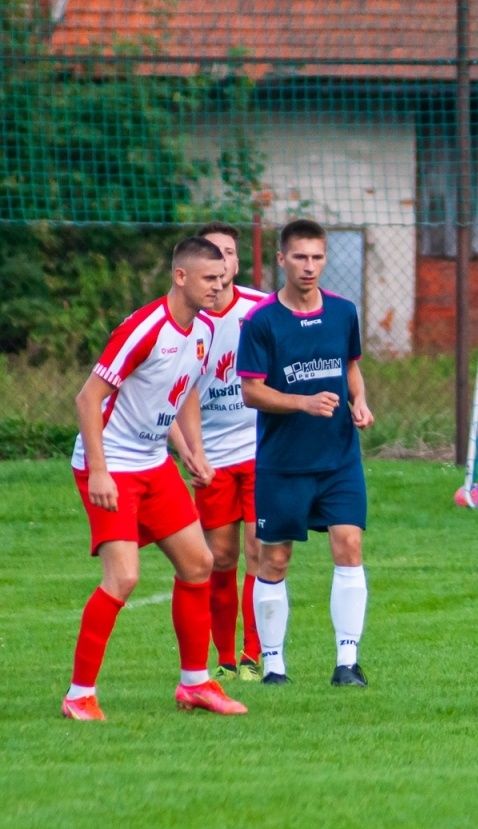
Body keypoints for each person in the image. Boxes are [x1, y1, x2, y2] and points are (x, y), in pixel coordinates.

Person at [62, 237, 248, 721]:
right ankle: (78, 695)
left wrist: (192, 451)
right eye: (210, 279)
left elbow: (183, 388)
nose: (219, 286)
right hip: (113, 463)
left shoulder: (204, 329)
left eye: (223, 277)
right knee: (123, 577)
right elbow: (87, 399)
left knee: (198, 564)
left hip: (151, 461)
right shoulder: (143, 329)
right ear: (181, 277)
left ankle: (196, 685)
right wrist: (99, 470)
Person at [238, 218, 374, 687]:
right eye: (300, 257)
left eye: (317, 257)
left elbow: (350, 366)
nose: (309, 266)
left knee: (349, 545)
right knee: (274, 559)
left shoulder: (343, 312)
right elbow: (252, 392)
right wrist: (303, 402)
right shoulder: (261, 322)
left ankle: (347, 662)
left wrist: (359, 400)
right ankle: (274, 664)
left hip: (338, 458)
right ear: (282, 260)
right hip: (283, 463)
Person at [186, 222, 271, 682]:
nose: (222, 261)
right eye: (213, 253)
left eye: (229, 253)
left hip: (263, 452)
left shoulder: (262, 310)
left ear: (236, 263)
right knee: (220, 557)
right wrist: (193, 452)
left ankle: (255, 655)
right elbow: (181, 394)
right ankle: (224, 656)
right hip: (212, 459)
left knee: (260, 549)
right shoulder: (186, 319)